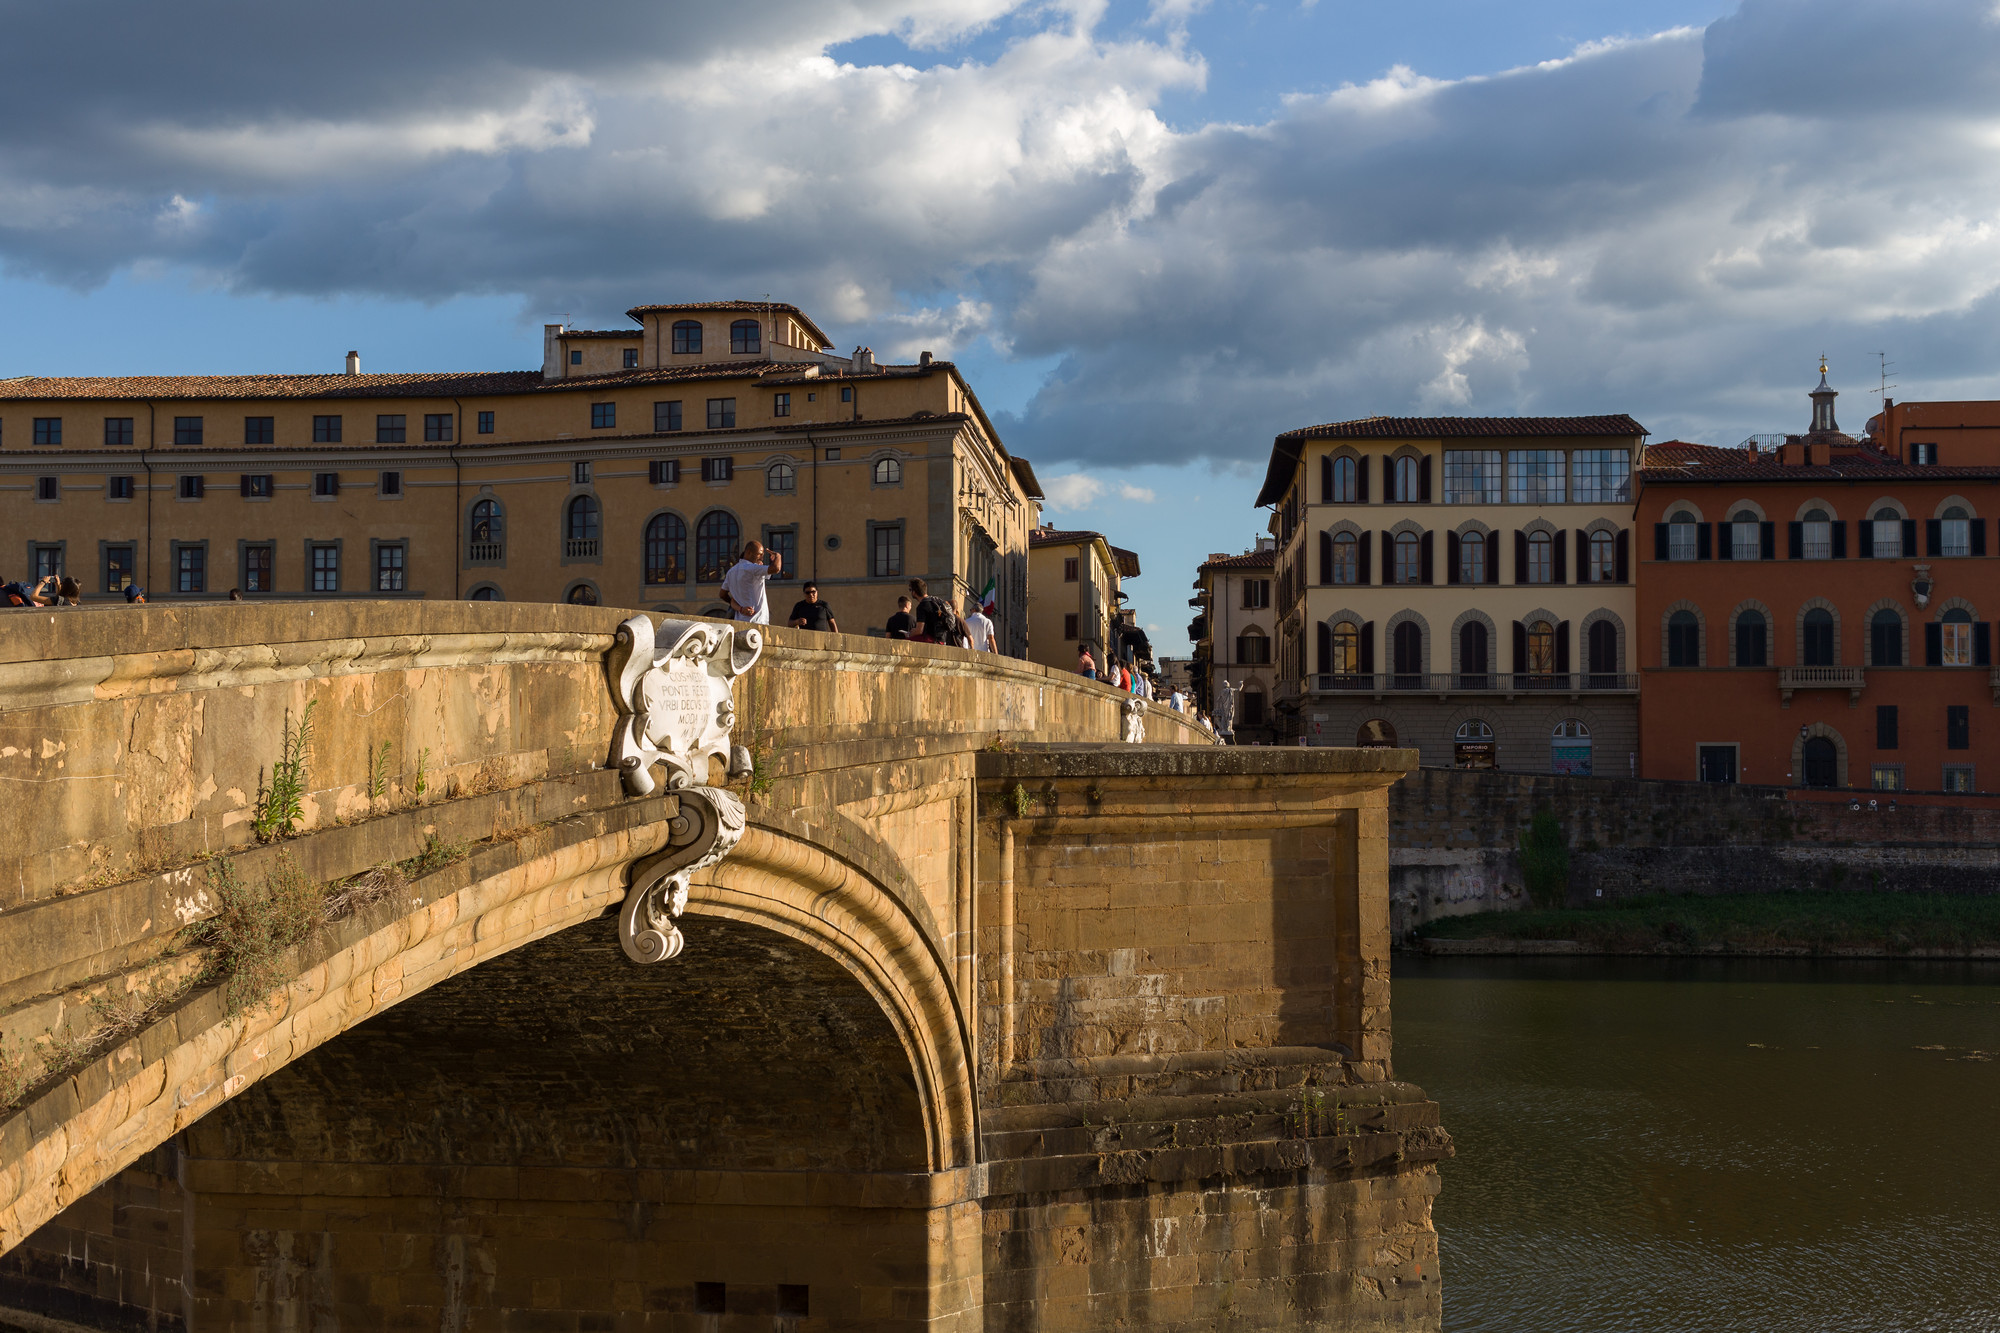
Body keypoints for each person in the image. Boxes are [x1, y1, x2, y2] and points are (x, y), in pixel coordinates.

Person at [721, 540, 781, 624]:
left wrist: (739, 607)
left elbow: (722, 594)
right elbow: (776, 568)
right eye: (759, 554)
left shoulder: (731, 572)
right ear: (748, 553)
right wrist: (778, 556)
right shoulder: (752, 568)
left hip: (740, 621)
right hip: (757, 620)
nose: (762, 558)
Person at [908, 578, 966, 647]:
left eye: (910, 590)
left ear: (914, 592)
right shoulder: (936, 601)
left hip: (930, 639)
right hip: (942, 640)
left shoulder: (922, 605)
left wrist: (910, 633)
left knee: (905, 643)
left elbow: (919, 630)